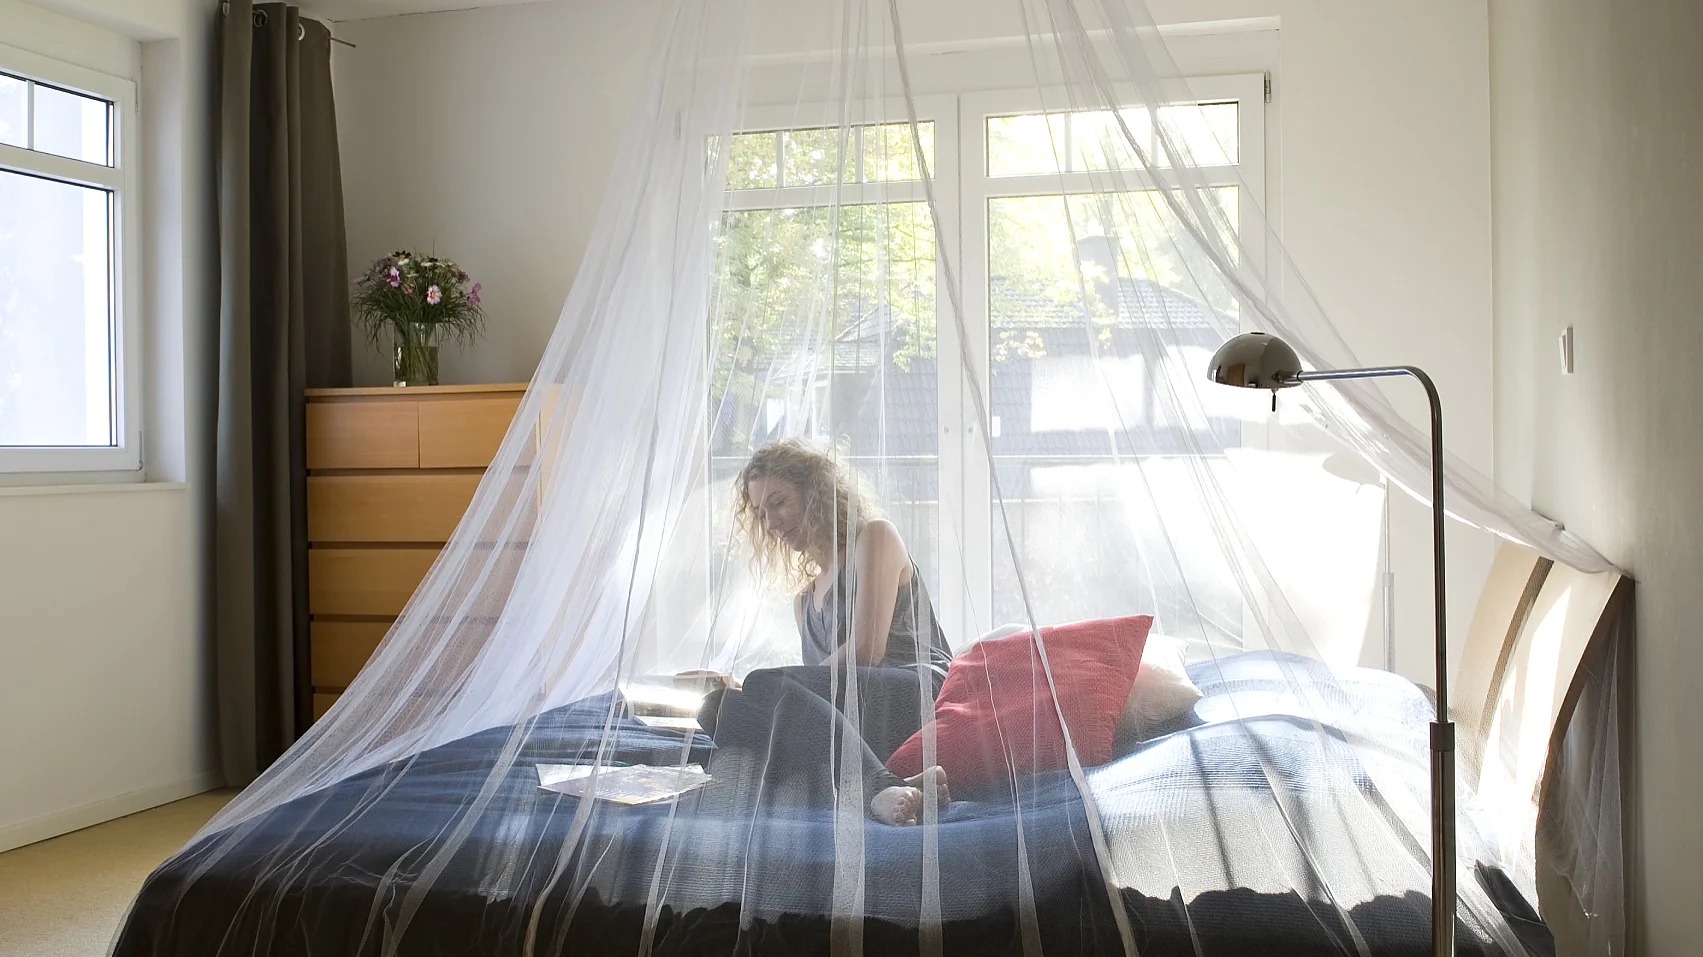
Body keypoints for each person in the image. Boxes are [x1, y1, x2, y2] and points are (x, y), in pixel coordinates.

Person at [698, 438, 956, 825]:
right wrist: (748, 693)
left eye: (779, 503)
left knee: (760, 685)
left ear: (816, 492)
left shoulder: (874, 537)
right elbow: (815, 701)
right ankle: (896, 783)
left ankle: (877, 786)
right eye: (761, 513)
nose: (771, 524)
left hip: (914, 690)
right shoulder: (804, 601)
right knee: (716, 708)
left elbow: (867, 649)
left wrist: (768, 686)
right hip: (859, 716)